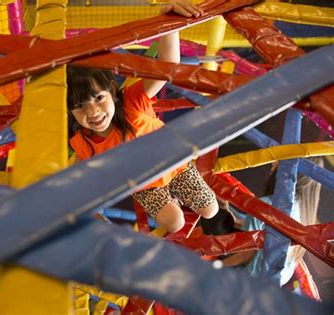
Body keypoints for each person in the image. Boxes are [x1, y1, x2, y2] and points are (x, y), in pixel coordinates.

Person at [67, 0, 218, 233]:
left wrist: (169, 26)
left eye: (98, 98)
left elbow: (167, 68)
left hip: (176, 164)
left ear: (112, 90)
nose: (93, 113)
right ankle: (171, 200)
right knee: (175, 223)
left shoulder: (131, 101)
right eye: (80, 106)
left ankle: (183, 195)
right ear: (70, 111)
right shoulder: (83, 141)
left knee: (211, 210)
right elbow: (76, 176)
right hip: (145, 184)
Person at [206, 158, 324, 286]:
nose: (273, 163)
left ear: (288, 170)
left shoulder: (265, 206)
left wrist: (217, 266)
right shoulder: (306, 211)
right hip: (277, 282)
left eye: (278, 160)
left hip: (251, 279)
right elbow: (271, 232)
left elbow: (246, 254)